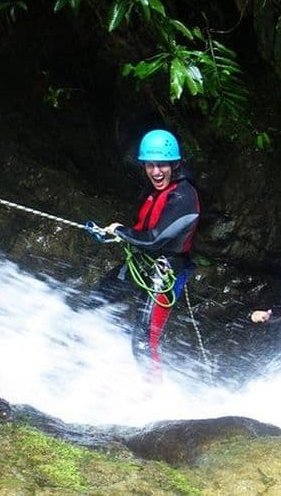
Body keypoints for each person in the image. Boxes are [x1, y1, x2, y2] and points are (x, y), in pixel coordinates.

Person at [100, 129, 201, 376]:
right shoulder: (155, 190)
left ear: (174, 164)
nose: (156, 172)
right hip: (143, 261)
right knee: (99, 299)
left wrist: (121, 231)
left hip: (167, 270)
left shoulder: (184, 197)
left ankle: (153, 396)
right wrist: (113, 233)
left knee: (144, 339)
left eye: (162, 166)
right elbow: (143, 232)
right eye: (150, 165)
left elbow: (156, 239)